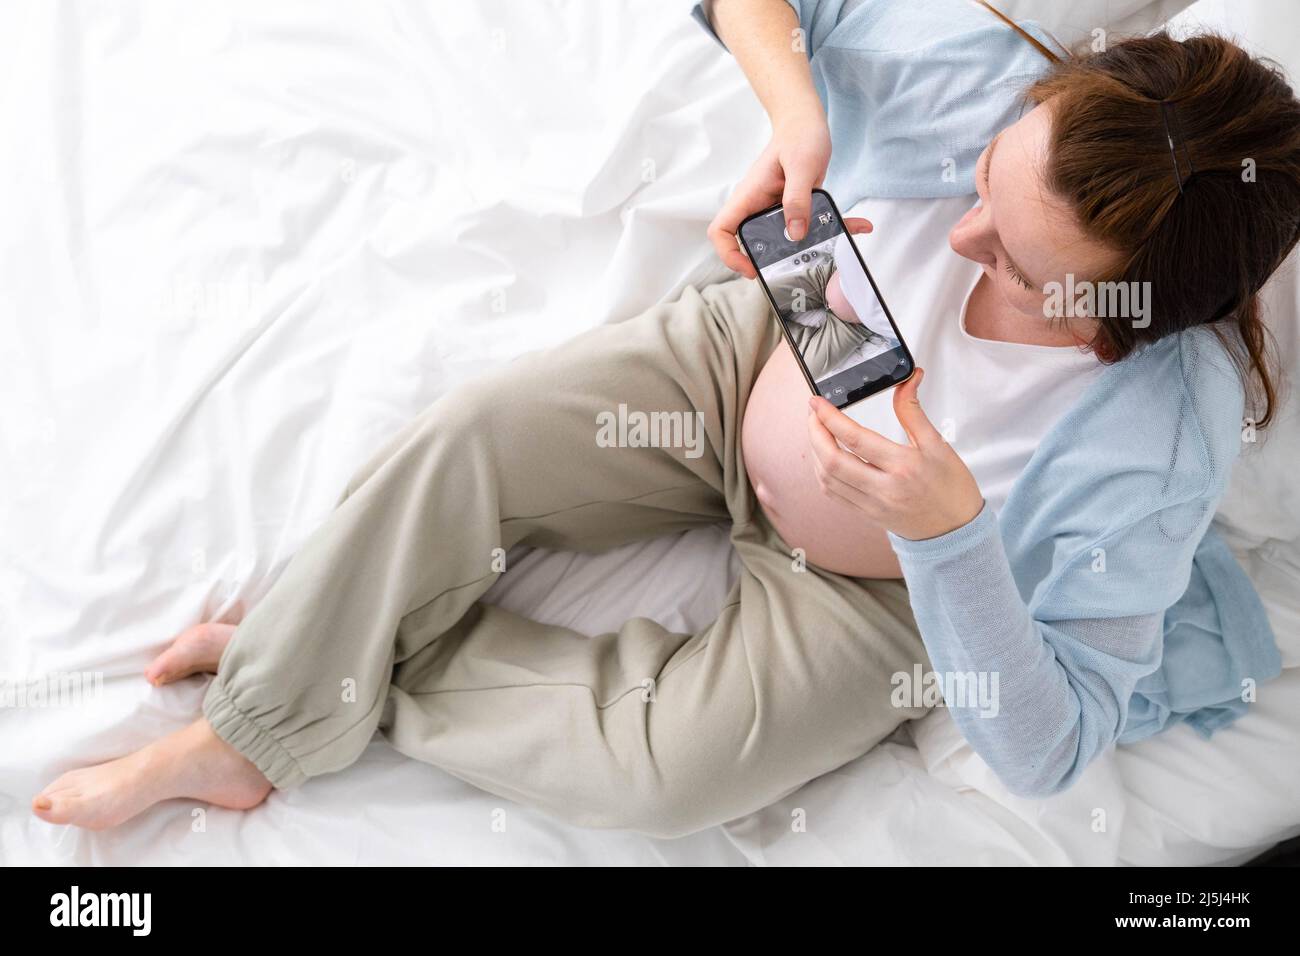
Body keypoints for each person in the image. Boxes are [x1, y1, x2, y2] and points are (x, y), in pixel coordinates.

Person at [33, 0, 1295, 836]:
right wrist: (797, 113)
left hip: (869, 589)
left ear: (1128, 317)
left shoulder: (1152, 442)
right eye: (978, 189)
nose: (962, 242)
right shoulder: (997, 92)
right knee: (471, 437)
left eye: (1016, 266)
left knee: (666, 774)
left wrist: (950, 535)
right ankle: (257, 718)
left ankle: (328, 664)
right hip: (763, 352)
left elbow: (1050, 744)